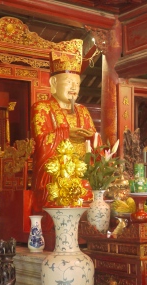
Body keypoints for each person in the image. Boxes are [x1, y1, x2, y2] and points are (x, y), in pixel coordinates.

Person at [31, 49, 97, 217]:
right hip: (56, 171)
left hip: (83, 169)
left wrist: (89, 136)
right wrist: (67, 133)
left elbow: (97, 140)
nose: (74, 87)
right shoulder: (42, 108)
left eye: (77, 83)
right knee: (59, 187)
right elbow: (41, 141)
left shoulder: (83, 110)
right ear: (53, 83)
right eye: (69, 82)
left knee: (96, 185)